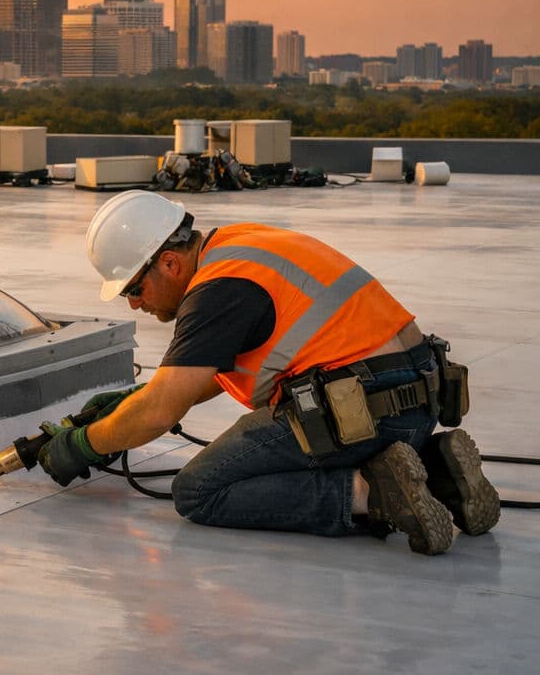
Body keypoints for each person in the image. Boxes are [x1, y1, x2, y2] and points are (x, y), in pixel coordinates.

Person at [37, 189, 499, 556]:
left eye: (134, 288)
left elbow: (160, 412)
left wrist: (82, 444)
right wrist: (129, 401)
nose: (135, 303)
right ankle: (436, 470)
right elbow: (189, 383)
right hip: (415, 398)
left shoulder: (216, 291)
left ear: (170, 263)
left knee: (198, 491)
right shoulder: (241, 245)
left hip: (365, 409)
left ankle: (372, 493)